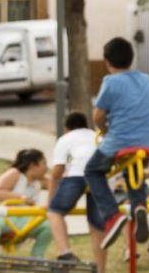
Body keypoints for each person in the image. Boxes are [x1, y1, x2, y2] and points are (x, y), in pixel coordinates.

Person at [84, 37, 149, 250]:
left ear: (107, 62)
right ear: (131, 58)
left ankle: (111, 216)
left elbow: (98, 116)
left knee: (92, 171)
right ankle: (140, 207)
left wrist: (105, 131)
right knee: (132, 171)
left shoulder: (110, 82)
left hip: (121, 140)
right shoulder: (146, 79)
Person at [46, 112, 104, 270]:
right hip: (101, 178)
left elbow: (57, 172)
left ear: (66, 128)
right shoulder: (97, 136)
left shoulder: (66, 139)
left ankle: (65, 253)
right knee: (96, 226)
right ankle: (101, 270)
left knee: (55, 212)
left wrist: (50, 200)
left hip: (77, 175)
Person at [0, 149, 52, 258]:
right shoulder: (15, 174)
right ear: (32, 165)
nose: (46, 168)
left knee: (50, 225)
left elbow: (59, 185)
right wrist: (21, 198)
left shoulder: (42, 180)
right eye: (43, 163)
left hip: (24, 220)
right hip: (5, 217)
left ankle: (37, 256)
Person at [113, 164, 149, 263]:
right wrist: (116, 179)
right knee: (126, 207)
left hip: (140, 187)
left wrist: (142, 173)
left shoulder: (139, 156)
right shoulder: (113, 156)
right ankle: (128, 248)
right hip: (122, 189)